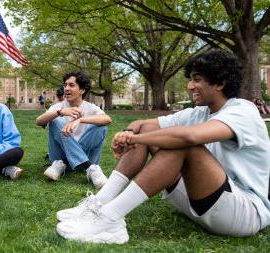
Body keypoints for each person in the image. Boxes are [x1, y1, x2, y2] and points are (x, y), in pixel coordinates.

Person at [55, 49, 270, 244]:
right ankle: (100, 203)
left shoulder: (243, 111)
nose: (189, 86)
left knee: (183, 144)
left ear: (220, 83)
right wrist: (129, 133)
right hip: (203, 202)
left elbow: (190, 137)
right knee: (148, 132)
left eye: (197, 80)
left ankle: (110, 218)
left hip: (243, 213)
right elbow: (143, 125)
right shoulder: (200, 112)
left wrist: (136, 141)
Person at [36, 71, 111, 189]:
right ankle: (90, 167)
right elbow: (39, 121)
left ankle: (71, 164)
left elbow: (107, 119)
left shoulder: (90, 107)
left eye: (71, 85)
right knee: (55, 120)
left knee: (101, 125)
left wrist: (80, 120)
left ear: (82, 90)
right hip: (61, 156)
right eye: (65, 85)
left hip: (78, 155)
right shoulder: (58, 106)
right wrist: (59, 112)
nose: (66, 88)